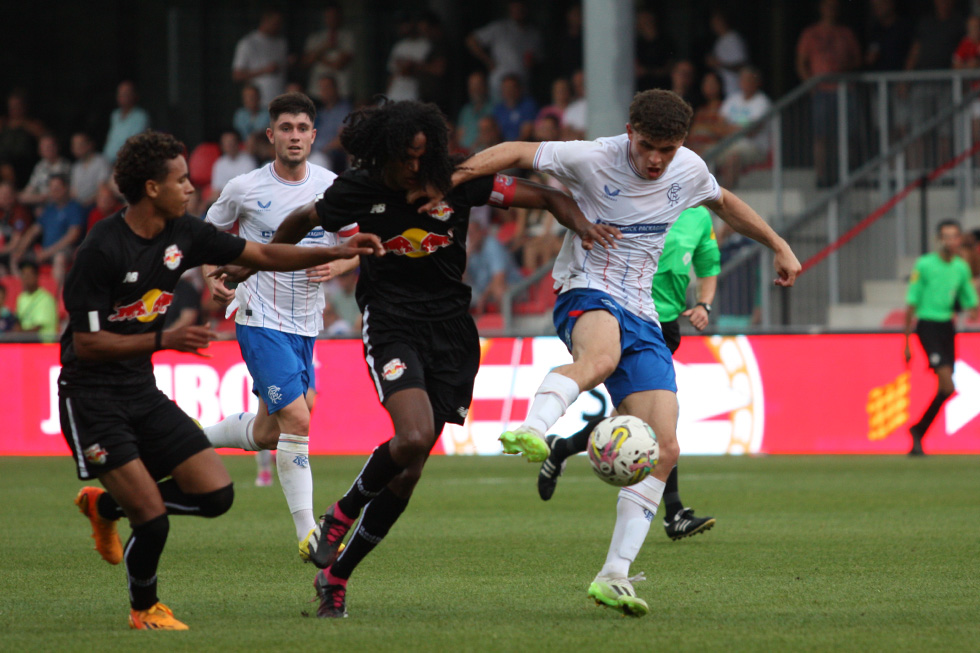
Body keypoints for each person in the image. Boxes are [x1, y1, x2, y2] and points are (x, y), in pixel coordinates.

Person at [250, 98, 618, 619]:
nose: (418, 167)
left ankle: (335, 576)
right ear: (386, 154)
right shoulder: (360, 186)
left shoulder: (457, 179)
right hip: (393, 321)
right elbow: (300, 221)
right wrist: (257, 266)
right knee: (415, 435)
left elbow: (547, 197)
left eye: (426, 155)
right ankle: (341, 513)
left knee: (411, 469)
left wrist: (581, 224)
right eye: (408, 157)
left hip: (452, 332)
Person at [443, 89, 801, 616]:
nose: (658, 159)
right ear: (631, 131)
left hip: (644, 312)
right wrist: (449, 180)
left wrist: (779, 244)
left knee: (666, 447)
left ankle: (614, 575)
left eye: (669, 148)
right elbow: (519, 151)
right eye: (650, 146)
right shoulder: (593, 156)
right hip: (585, 289)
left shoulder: (688, 168)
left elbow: (725, 203)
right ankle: (534, 428)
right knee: (600, 359)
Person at [63, 130, 381, 630]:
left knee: (217, 495)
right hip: (91, 395)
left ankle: (107, 505)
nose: (191, 187)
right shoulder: (101, 249)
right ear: (151, 188)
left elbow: (266, 254)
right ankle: (144, 608)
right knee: (154, 518)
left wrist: (340, 253)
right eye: (181, 179)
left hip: (140, 390)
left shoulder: (183, 234)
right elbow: (87, 345)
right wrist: (163, 341)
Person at [201, 92, 356, 560]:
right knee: (299, 419)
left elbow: (353, 246)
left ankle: (188, 441)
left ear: (313, 135)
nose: (293, 136)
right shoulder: (244, 188)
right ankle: (311, 535)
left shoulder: (332, 186)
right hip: (258, 316)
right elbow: (207, 238)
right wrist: (214, 280)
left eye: (301, 128)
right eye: (284, 128)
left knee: (271, 433)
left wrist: (340, 266)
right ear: (271, 135)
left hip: (307, 324)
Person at [535, 206, 720, 541]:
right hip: (620, 314)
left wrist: (704, 304)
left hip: (663, 324)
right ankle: (674, 511)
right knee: (646, 423)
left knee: (633, 419)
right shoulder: (641, 200)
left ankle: (561, 448)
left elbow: (708, 266)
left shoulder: (699, 216)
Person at [904, 219, 978, 456]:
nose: (950, 241)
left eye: (954, 236)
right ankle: (917, 431)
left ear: (959, 239)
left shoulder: (960, 267)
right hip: (928, 326)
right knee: (947, 384)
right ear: (939, 240)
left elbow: (970, 302)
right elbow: (911, 304)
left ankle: (918, 430)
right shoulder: (924, 265)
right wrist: (906, 343)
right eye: (945, 236)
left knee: (947, 389)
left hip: (947, 326)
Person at [796, 0, 862, 187]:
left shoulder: (845, 33)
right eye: (828, 6)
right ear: (821, 8)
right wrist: (810, 84)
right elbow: (801, 62)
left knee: (848, 135)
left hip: (844, 90)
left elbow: (857, 60)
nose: (831, 10)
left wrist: (842, 71)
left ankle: (849, 175)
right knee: (821, 136)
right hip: (821, 92)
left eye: (835, 7)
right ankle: (822, 177)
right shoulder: (810, 34)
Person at [466, 0, 543, 102]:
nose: (518, 10)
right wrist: (488, 61)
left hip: (522, 84)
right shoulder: (499, 27)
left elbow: (539, 58)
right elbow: (471, 40)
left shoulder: (533, 34)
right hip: (499, 82)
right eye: (515, 7)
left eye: (520, 8)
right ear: (510, 9)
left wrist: (533, 61)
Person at [20, 174, 86, 289]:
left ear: (65, 188)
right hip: (45, 251)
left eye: (57, 188)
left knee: (59, 259)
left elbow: (73, 235)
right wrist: (20, 249)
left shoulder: (74, 207)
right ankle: (20, 296)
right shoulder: (49, 209)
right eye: (52, 188)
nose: (54, 191)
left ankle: (57, 297)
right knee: (16, 258)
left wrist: (48, 252)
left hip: (65, 251)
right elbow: (33, 231)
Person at [717, 66, 772, 188]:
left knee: (733, 157)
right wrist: (738, 129)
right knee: (704, 156)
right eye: (743, 79)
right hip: (728, 145)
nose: (745, 83)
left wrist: (729, 128)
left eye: (749, 80)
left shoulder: (762, 101)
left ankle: (727, 198)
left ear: (756, 82)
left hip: (754, 148)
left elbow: (751, 131)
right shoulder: (733, 99)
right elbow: (718, 127)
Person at [232, 9, 289, 106]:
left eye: (280, 23)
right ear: (265, 20)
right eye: (275, 23)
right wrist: (265, 70)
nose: (277, 26)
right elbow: (237, 75)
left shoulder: (281, 42)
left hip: (281, 100)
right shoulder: (248, 43)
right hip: (259, 103)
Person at [301, 4, 355, 101]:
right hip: (317, 91)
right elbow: (306, 62)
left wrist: (317, 56)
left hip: (341, 90)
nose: (332, 20)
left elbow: (339, 64)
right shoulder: (315, 38)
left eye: (334, 17)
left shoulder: (348, 36)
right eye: (329, 17)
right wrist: (325, 48)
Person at [705, 8, 749, 99]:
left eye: (716, 21)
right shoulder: (719, 41)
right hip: (723, 89)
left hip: (735, 87)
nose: (713, 25)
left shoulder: (734, 38)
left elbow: (742, 65)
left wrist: (719, 64)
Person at [102, 81, 150, 164]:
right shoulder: (115, 115)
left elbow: (134, 143)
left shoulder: (140, 116)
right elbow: (110, 138)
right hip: (109, 162)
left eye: (126, 93)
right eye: (120, 94)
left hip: (128, 162)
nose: (122, 96)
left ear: (134, 95)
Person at [207, 129, 257, 205]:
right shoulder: (219, 163)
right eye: (226, 143)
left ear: (238, 143)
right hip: (224, 203)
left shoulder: (248, 161)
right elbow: (216, 190)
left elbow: (251, 190)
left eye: (231, 143)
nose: (229, 146)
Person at [312, 75, 352, 172]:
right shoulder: (321, 112)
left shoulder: (344, 109)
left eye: (327, 87)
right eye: (322, 88)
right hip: (313, 154)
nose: (325, 91)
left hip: (331, 157)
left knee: (316, 162)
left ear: (336, 88)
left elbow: (342, 138)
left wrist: (324, 150)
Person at [19, 134, 71, 206]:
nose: (48, 149)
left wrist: (39, 199)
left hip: (58, 204)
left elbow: (58, 193)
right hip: (39, 202)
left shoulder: (65, 166)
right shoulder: (39, 166)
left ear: (57, 147)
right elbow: (30, 189)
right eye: (44, 147)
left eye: (50, 146)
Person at [686, 71, 729, 155]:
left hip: (713, 151)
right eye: (706, 83)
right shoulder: (700, 110)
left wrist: (705, 128)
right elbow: (693, 132)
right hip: (694, 149)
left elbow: (722, 131)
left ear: (719, 85)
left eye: (712, 83)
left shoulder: (725, 108)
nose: (709, 86)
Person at [15, 259, 58, 340]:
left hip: (43, 346)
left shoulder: (46, 299)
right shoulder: (21, 298)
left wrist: (18, 333)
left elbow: (37, 329)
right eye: (23, 275)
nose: (25, 278)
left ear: (36, 276)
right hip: (26, 344)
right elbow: (18, 321)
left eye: (28, 275)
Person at [69, 132, 111, 209]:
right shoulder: (76, 167)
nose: (77, 147)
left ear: (89, 144)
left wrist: (88, 203)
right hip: (78, 206)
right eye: (74, 145)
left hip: (96, 204)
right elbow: (73, 192)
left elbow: (102, 187)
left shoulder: (101, 161)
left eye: (80, 144)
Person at [456, 71, 494, 153]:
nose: (475, 89)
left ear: (485, 87)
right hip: (464, 154)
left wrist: (473, 149)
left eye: (478, 85)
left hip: (485, 152)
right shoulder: (466, 110)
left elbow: (493, 136)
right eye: (472, 86)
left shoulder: (493, 108)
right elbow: (459, 136)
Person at [492, 74, 537, 142]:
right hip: (501, 145)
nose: (508, 91)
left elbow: (527, 133)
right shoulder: (498, 109)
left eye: (511, 88)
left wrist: (511, 148)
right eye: (505, 88)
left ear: (519, 89)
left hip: (522, 145)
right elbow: (494, 132)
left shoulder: (528, 105)